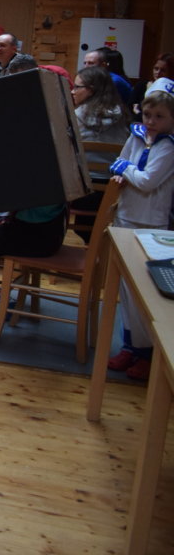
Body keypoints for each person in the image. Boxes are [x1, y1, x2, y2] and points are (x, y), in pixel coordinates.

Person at [104, 79, 174, 381]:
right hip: (126, 216)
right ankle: (131, 346)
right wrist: (124, 170)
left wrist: (126, 170)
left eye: (159, 117)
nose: (151, 121)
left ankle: (148, 353)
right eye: (147, 115)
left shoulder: (168, 148)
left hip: (150, 223)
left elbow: (147, 181)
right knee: (126, 290)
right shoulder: (137, 136)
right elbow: (119, 162)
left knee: (144, 292)